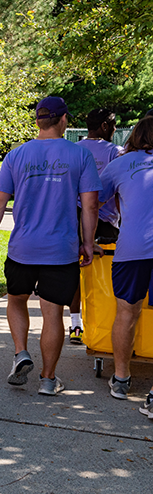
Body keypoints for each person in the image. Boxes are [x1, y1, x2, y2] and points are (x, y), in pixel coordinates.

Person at [0, 96, 101, 396]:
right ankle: (48, 380)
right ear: (63, 120)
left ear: (38, 121)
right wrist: (88, 243)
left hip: (22, 247)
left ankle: (21, 352)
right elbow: (90, 207)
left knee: (16, 299)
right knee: (52, 313)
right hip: (60, 251)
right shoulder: (80, 155)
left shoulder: (17, 155)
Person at [97, 116, 153, 413]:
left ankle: (120, 378)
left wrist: (86, 237)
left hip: (132, 248)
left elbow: (93, 201)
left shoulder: (120, 164)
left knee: (126, 313)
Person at [67, 108, 123, 344]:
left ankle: (76, 325)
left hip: (74, 218)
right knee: (106, 276)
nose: (115, 129)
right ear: (103, 126)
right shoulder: (115, 152)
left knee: (75, 272)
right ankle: (104, 324)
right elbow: (120, 190)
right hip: (105, 221)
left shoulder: (74, 150)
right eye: (113, 125)